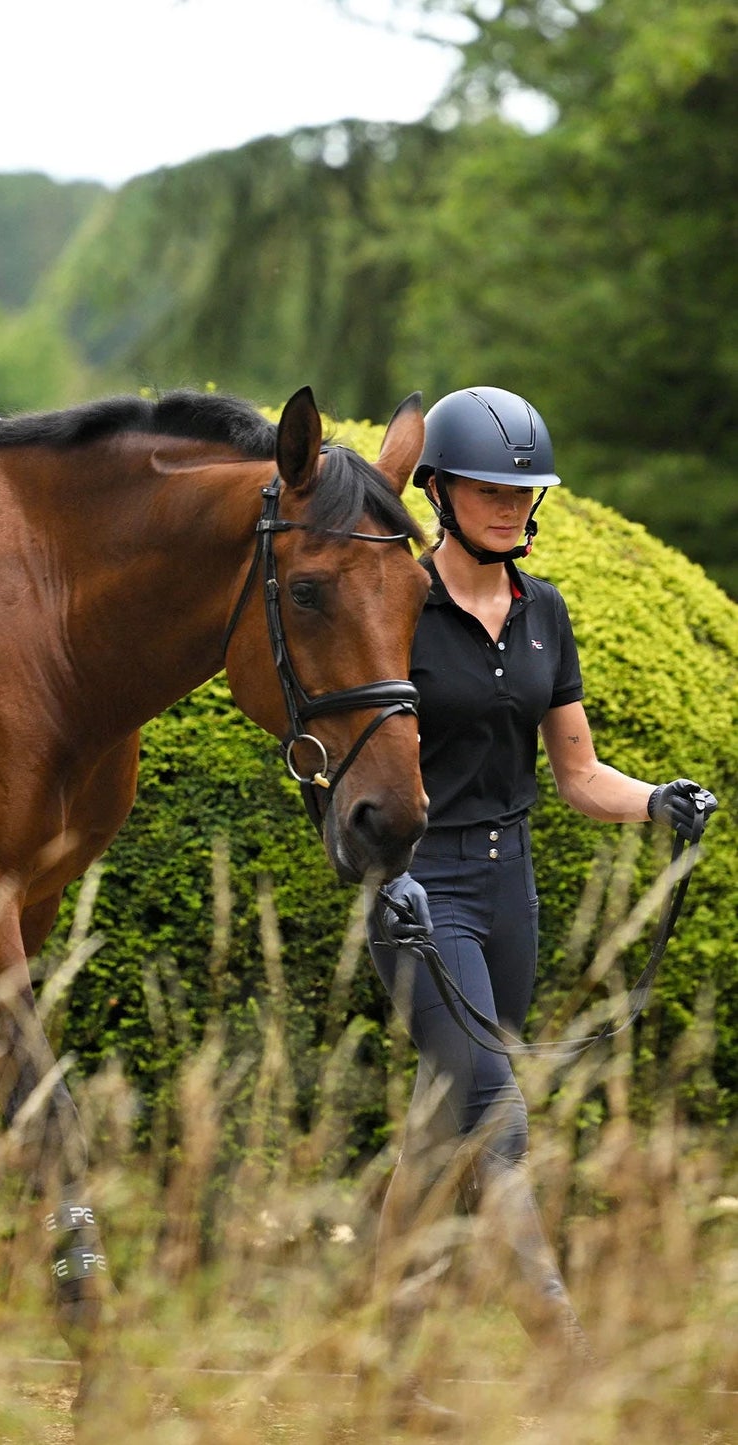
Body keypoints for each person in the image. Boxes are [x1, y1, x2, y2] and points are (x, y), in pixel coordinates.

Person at [363, 385, 717, 1418]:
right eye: (492, 487)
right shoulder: (395, 601)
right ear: (436, 490)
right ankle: (557, 1333)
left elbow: (576, 773)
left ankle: (384, 1365)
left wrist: (656, 801)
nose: (513, 504)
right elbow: (354, 764)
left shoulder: (543, 611)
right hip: (420, 889)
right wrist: (389, 880)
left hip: (507, 884)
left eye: (526, 489)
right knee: (495, 1110)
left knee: (443, 1121)